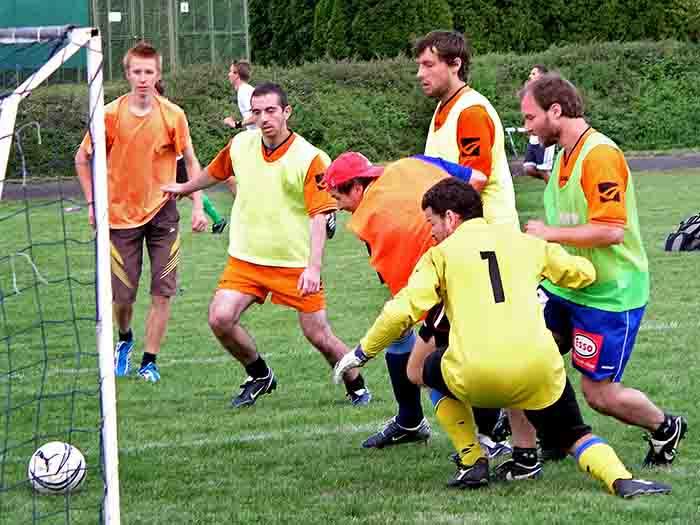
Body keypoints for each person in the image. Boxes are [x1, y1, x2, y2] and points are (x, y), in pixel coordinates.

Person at [334, 177, 671, 498]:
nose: (432, 232)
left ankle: (471, 459)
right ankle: (621, 479)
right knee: (574, 434)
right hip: (538, 370)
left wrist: (361, 354)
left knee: (427, 369)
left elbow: (399, 312)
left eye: (432, 223)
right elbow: (583, 274)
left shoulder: (440, 255)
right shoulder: (527, 244)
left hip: (474, 376)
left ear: (451, 218)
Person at [357, 29, 526, 460]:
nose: (420, 73)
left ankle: (495, 433)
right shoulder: (442, 112)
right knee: (411, 326)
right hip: (451, 243)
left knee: (466, 340)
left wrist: (414, 168)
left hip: (484, 242)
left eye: (428, 64)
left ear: (455, 64)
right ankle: (415, 419)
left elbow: (476, 179)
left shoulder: (470, 111)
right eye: (419, 64)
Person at [162, 82, 371, 407]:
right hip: (246, 259)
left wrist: (313, 267)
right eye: (257, 112)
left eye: (271, 110)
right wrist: (184, 188)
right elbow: (213, 173)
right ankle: (259, 374)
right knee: (220, 318)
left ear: (286, 112)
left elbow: (320, 217)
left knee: (318, 335)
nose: (264, 118)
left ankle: (356, 385)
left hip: (294, 264)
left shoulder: (311, 157)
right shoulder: (240, 145)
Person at [521, 73, 687, 466]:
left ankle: (664, 426)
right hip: (567, 284)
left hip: (610, 293)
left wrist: (548, 233)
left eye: (530, 118)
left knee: (599, 394)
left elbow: (612, 231)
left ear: (556, 111)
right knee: (525, 352)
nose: (527, 127)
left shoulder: (600, 154)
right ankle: (537, 446)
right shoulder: (565, 152)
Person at [324, 152, 493, 450]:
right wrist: (458, 227)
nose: (339, 206)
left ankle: (482, 438)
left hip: (449, 276)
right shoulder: (412, 162)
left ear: (357, 187)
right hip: (486, 254)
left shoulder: (371, 219)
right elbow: (477, 179)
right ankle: (411, 420)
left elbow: (405, 301)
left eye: (339, 196)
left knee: (430, 363)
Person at [74, 42, 207, 383]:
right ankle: (125, 339)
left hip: (164, 214)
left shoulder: (173, 115)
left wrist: (196, 205)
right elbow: (81, 159)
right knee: (123, 297)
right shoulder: (109, 115)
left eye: (149, 72)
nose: (143, 78)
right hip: (119, 217)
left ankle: (149, 361)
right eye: (137, 72)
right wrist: (92, 205)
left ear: (158, 75)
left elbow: (190, 161)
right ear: (128, 74)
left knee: (163, 290)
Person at [155, 79, 228, 234]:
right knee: (189, 192)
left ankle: (217, 219)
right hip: (174, 161)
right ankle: (217, 219)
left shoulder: (167, 110)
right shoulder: (159, 108)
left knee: (191, 192)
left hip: (176, 161)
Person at [522, 65, 556, 182]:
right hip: (534, 137)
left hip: (545, 136)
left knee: (543, 170)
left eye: (533, 74)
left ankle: (554, 193)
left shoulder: (549, 93)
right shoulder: (529, 93)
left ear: (542, 76)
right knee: (528, 168)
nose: (530, 76)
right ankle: (554, 182)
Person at [223, 59, 256, 131]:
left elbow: (256, 117)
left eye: (231, 71)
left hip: (259, 136)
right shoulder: (245, 90)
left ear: (237, 75)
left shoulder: (244, 91)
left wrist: (235, 124)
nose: (228, 74)